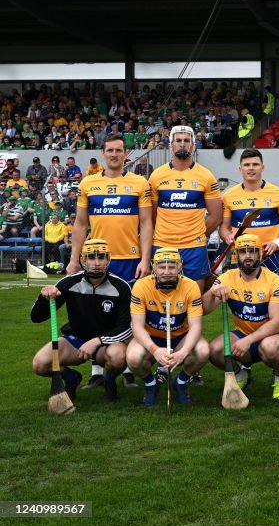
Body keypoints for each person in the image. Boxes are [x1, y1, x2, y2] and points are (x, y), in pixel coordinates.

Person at [30, 240, 132, 403]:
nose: (97, 263)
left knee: (118, 357)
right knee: (40, 364)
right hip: (75, 341)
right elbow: (36, 318)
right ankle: (71, 378)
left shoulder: (121, 287)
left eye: (102, 257)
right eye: (91, 257)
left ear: (109, 259)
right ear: (83, 260)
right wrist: (44, 298)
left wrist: (97, 341)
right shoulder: (69, 283)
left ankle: (109, 381)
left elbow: (125, 327)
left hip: (105, 344)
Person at [203, 235, 279, 400]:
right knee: (214, 349)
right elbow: (203, 310)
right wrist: (212, 293)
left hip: (273, 335)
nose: (248, 256)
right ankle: (240, 374)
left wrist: (248, 340)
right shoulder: (226, 278)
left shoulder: (275, 281)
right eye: (243, 251)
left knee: (271, 347)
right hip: (242, 332)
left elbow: (277, 323)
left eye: (252, 251)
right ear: (236, 254)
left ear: (260, 254)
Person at [126, 248, 210, 406]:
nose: (166, 272)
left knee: (203, 350)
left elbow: (196, 326)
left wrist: (183, 352)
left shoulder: (191, 286)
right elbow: (136, 326)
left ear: (179, 267)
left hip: (180, 337)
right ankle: (151, 384)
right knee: (133, 357)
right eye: (162, 267)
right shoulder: (141, 286)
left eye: (171, 266)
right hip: (151, 336)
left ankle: (181, 381)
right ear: (154, 267)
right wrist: (155, 350)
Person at [69, 133, 153, 284]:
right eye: (110, 150)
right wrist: (74, 260)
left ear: (126, 153)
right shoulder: (87, 183)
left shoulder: (140, 183)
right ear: (103, 153)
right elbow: (80, 224)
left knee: (129, 308)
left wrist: (145, 260)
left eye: (119, 150)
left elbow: (146, 223)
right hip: (96, 259)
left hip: (130, 259)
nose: (114, 155)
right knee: (97, 307)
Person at [148, 125, 222, 289]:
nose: (182, 144)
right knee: (161, 301)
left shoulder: (206, 176)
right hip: (162, 244)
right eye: (178, 140)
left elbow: (216, 216)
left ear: (193, 145)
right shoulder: (156, 176)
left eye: (187, 140)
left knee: (193, 299)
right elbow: (151, 216)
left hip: (194, 248)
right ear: (170, 145)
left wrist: (197, 234)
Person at [218, 149, 279, 276]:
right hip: (241, 256)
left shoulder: (278, 194)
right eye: (247, 165)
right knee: (237, 295)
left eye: (255, 164)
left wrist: (276, 243)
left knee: (275, 295)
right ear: (240, 169)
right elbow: (224, 229)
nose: (251, 168)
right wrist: (227, 236)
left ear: (262, 168)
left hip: (268, 255)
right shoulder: (228, 196)